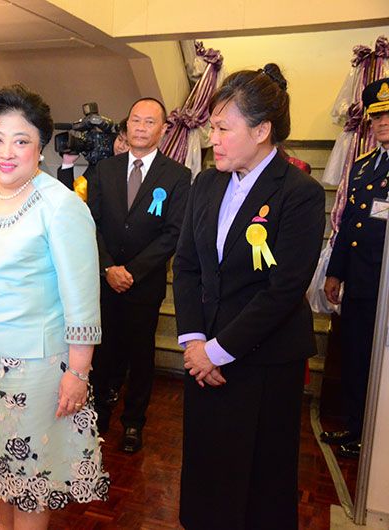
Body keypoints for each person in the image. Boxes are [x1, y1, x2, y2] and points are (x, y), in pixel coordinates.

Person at [0, 85, 109, 528]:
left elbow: (82, 301)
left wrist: (79, 373)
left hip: (37, 369)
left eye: (21, 141)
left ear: (40, 147)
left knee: (30, 486)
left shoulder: (60, 206)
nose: (6, 152)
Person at [173, 64, 325, 529]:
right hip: (204, 357)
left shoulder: (300, 193)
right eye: (211, 128)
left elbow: (282, 290)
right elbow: (187, 265)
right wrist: (194, 342)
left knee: (260, 480)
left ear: (262, 130)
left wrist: (217, 353)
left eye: (223, 128)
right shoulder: (207, 183)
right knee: (207, 471)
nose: (213, 139)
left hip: (262, 360)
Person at [86, 98, 190, 451]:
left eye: (149, 122)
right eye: (135, 121)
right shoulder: (104, 170)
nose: (141, 127)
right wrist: (108, 267)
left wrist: (132, 271)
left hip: (143, 284)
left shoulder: (177, 176)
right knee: (101, 351)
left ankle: (133, 422)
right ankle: (97, 414)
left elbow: (173, 233)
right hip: (105, 279)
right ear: (126, 126)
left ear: (163, 130)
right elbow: (91, 224)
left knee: (141, 354)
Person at [323, 77, 389, 459]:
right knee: (355, 358)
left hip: (385, 286)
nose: (381, 123)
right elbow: (350, 224)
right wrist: (336, 272)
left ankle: (376, 438)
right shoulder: (365, 166)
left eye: (387, 115)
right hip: (361, 285)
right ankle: (355, 428)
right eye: (376, 116)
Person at [57, 118, 129, 191]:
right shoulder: (100, 165)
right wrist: (67, 163)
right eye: (119, 139)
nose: (120, 146)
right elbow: (72, 198)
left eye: (127, 143)